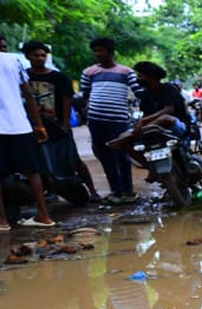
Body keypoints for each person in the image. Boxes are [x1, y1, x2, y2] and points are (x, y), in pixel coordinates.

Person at [21, 40, 100, 201]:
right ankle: (51, 191)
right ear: (28, 56)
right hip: (34, 125)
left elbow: (66, 100)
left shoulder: (58, 77)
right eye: (36, 55)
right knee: (42, 160)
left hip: (56, 125)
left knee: (73, 159)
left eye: (43, 55)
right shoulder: (24, 76)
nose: (40, 58)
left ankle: (92, 190)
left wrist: (65, 124)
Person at [78, 37, 141, 205]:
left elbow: (138, 91)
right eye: (95, 51)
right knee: (105, 156)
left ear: (111, 52)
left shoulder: (126, 72)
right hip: (96, 121)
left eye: (101, 50)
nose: (98, 54)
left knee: (122, 155)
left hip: (119, 121)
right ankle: (116, 190)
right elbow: (85, 95)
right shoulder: (89, 72)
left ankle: (128, 191)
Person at [0, 46, 56, 230]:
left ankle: (2, 221)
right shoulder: (13, 61)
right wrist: (39, 125)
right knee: (32, 172)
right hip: (19, 125)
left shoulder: (13, 60)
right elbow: (28, 94)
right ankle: (44, 215)